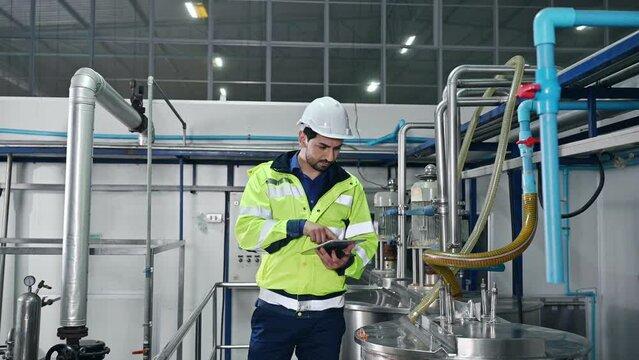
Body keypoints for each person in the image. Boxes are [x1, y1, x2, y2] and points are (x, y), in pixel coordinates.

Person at [235, 96, 379, 360]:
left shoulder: (350, 186)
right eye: (323, 146)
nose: (330, 156)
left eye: (337, 148)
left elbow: (367, 242)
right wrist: (297, 226)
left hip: (326, 317)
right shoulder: (266, 178)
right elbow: (246, 232)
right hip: (274, 310)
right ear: (303, 138)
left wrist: (346, 263)